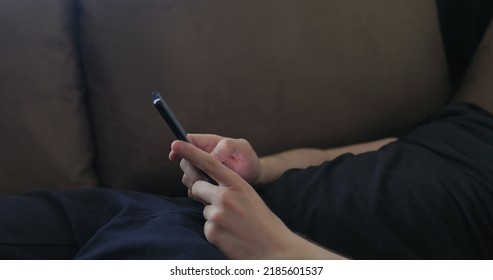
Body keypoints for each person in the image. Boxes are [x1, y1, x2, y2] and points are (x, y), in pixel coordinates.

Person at [0, 96, 492, 259]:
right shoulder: (473, 119)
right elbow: (338, 156)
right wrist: (257, 169)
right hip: (175, 211)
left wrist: (281, 252)